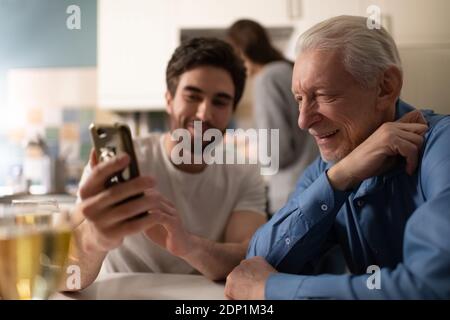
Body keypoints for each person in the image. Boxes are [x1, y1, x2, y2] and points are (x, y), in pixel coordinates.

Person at [225, 15, 450, 299]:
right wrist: (343, 175)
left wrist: (271, 289)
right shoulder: (328, 171)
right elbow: (259, 260)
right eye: (298, 99)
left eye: (322, 95)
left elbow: (431, 286)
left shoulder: (443, 147)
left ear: (386, 87)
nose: (303, 121)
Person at [66, 38, 267, 290]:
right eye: (192, 96)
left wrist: (187, 245)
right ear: (169, 100)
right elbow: (64, 275)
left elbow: (247, 259)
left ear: (231, 110)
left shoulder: (245, 173)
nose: (204, 113)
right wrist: (96, 238)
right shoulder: (121, 161)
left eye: (220, 101)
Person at [227, 19, 318, 214]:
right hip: (315, 185)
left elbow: (276, 154)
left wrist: (242, 154)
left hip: (292, 195)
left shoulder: (267, 79)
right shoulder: (288, 70)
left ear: (241, 52)